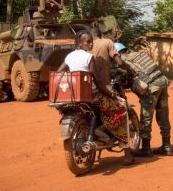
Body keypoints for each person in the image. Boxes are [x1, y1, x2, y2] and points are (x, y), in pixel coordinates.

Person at [57, 30, 135, 165]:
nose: (90, 43)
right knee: (119, 110)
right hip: (92, 95)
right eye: (87, 41)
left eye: (91, 40)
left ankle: (98, 130)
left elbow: (59, 72)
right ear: (79, 43)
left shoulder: (69, 56)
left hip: (73, 95)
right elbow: (96, 79)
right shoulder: (89, 57)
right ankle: (127, 153)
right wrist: (111, 94)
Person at [116, 43, 173, 157]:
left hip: (151, 88)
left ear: (117, 53)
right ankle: (167, 146)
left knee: (146, 117)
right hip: (162, 82)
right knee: (163, 115)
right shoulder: (138, 54)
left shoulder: (123, 64)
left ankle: (146, 148)